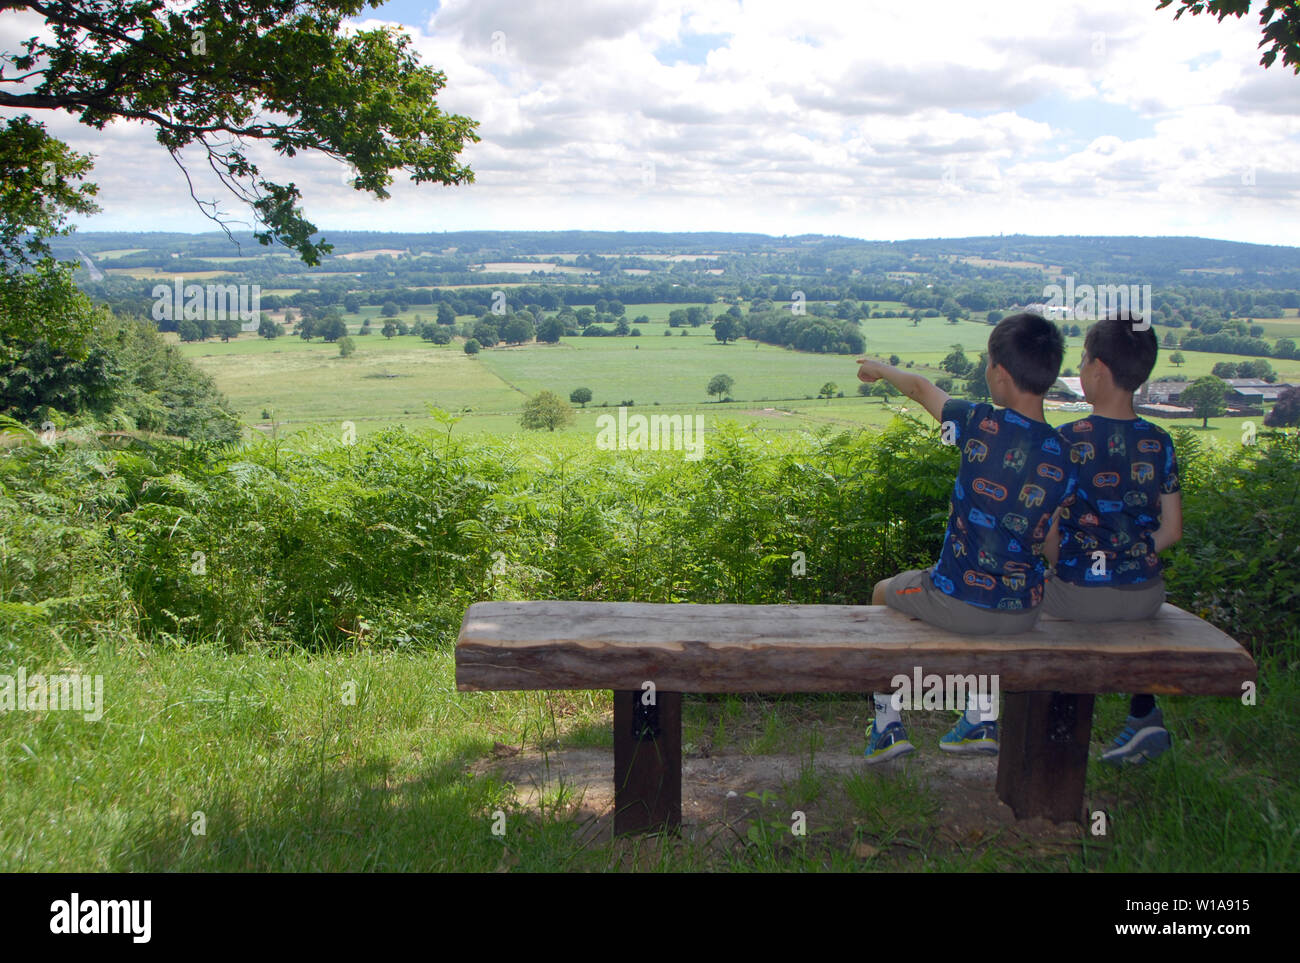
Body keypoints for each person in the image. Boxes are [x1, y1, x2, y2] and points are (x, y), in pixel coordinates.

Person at [856, 312, 1076, 763]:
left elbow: (919, 389)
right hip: (1024, 609)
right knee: (986, 607)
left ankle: (887, 725)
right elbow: (1052, 541)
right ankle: (980, 716)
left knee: (882, 593)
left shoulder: (980, 424)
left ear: (998, 373)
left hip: (955, 599)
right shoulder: (1065, 454)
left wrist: (878, 368)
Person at [1041, 314, 1182, 765]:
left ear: (1098, 370)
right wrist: (1131, 555)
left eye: (1082, 360)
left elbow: (1047, 531)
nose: (1080, 369)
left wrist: (1059, 563)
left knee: (1011, 601)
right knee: (1120, 616)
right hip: (1145, 594)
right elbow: (1172, 531)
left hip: (1078, 595)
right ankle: (1144, 715)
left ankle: (1000, 719)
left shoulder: (1066, 441)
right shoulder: (1160, 442)